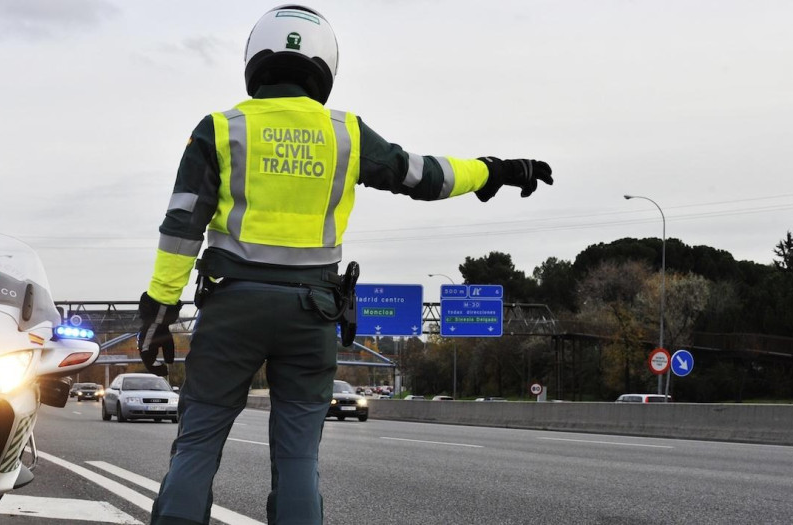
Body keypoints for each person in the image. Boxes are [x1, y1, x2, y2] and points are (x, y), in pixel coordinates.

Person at [135, 5, 553, 524]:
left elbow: (181, 226)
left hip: (232, 310)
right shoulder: (346, 133)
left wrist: (159, 310)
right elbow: (421, 175)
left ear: (255, 59)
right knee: (297, 457)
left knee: (197, 446)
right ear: (324, 64)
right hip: (311, 315)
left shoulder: (220, 129)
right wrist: (493, 171)